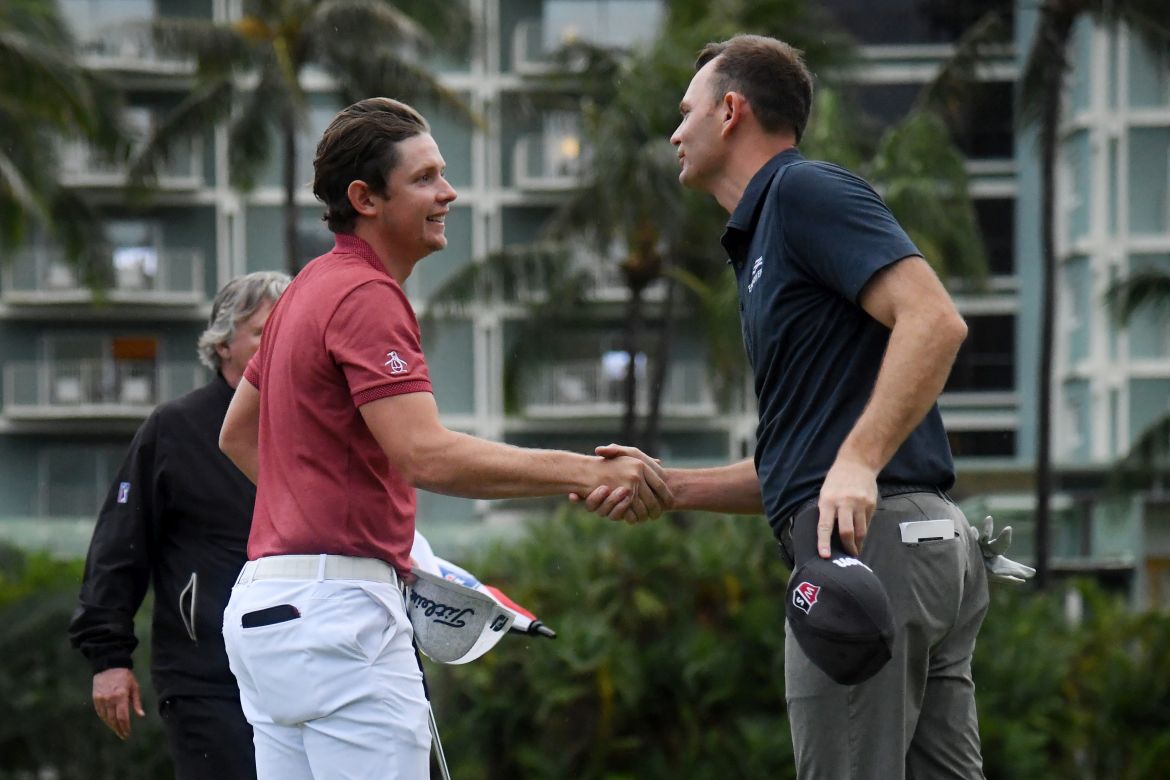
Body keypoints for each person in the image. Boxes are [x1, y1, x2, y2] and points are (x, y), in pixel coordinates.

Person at [217, 96, 671, 780]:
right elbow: (424, 453)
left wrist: (322, 514)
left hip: (266, 612)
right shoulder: (365, 295)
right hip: (339, 620)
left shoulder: (308, 287)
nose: (448, 192)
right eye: (426, 177)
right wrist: (585, 472)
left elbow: (237, 433)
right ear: (365, 198)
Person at [578, 35, 989, 779]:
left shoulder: (802, 194)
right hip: (909, 539)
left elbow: (934, 320)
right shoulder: (765, 237)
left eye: (687, 111)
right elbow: (803, 470)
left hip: (872, 548)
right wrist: (669, 488)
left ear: (731, 110)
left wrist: (860, 463)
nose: (675, 132)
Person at [69, 271, 290, 779]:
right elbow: (118, 549)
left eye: (288, 330)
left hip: (303, 669)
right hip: (205, 676)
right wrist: (109, 658)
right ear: (223, 344)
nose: (278, 343)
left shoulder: (316, 424)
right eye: (262, 332)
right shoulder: (173, 429)